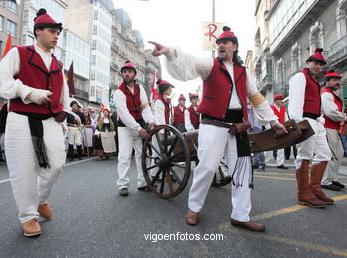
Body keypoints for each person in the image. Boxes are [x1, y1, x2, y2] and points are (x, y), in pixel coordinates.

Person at [149, 26, 286, 232]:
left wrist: (273, 121)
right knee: (207, 168)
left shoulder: (244, 72)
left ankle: (241, 215)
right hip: (212, 125)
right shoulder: (210, 65)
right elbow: (190, 63)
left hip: (237, 127)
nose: (220, 45)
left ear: (235, 46)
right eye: (219, 43)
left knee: (242, 171)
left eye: (225, 42)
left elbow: (256, 97)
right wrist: (169, 52)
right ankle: (194, 207)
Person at [0, 8, 69, 237]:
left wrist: (64, 109)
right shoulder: (19, 53)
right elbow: (0, 80)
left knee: (56, 165)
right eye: (52, 31)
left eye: (58, 32)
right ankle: (28, 216)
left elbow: (62, 90)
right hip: (21, 119)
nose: (56, 36)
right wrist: (29, 93)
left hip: (50, 120)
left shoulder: (57, 63)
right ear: (38, 32)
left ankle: (41, 199)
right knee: (24, 171)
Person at [288, 48, 334, 208]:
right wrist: (299, 124)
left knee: (325, 154)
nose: (318, 67)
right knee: (304, 156)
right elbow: (295, 102)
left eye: (321, 65)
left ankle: (314, 189)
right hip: (305, 120)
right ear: (308, 63)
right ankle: (303, 193)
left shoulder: (314, 80)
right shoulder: (300, 77)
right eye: (316, 63)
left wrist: (320, 119)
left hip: (315, 121)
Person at [113, 61, 156, 196]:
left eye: (129, 71)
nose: (126, 74)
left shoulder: (140, 88)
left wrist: (151, 120)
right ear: (122, 74)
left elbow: (145, 106)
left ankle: (143, 182)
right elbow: (124, 115)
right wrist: (139, 129)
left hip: (139, 125)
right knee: (124, 156)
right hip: (125, 128)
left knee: (141, 155)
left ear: (134, 74)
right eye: (124, 71)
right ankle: (123, 184)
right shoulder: (119, 92)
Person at [320, 70, 347, 191]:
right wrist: (344, 117)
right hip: (327, 127)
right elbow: (330, 112)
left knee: (339, 153)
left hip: (334, 128)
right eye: (334, 80)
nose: (338, 82)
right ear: (327, 82)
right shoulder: (326, 94)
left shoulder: (331, 94)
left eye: (338, 80)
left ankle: (332, 178)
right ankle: (325, 181)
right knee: (331, 155)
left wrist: (343, 114)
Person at [265, 95, 289, 169]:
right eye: (280, 99)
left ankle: (280, 163)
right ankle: (264, 162)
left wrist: (286, 127)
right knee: (269, 147)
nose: (282, 101)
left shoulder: (283, 109)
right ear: (276, 100)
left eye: (282, 99)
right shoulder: (270, 108)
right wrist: (268, 128)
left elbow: (286, 119)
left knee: (281, 147)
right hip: (272, 129)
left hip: (281, 129)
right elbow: (267, 118)